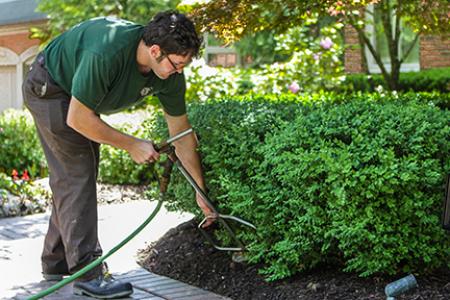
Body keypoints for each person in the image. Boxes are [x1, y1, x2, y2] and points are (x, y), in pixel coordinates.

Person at [23, 10, 215, 299]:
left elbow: (182, 136)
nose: (179, 71)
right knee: (78, 174)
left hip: (76, 98)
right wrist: (132, 144)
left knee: (74, 176)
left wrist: (200, 190)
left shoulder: (171, 75)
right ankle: (88, 275)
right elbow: (77, 118)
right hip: (50, 87)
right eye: (177, 64)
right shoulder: (107, 52)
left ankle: (56, 260)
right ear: (155, 50)